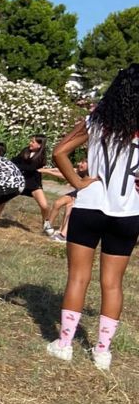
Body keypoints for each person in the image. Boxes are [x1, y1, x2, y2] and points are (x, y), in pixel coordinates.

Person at [45, 66, 139, 370]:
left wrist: (76, 181)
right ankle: (102, 352)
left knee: (78, 277)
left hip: (89, 206)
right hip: (128, 212)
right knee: (112, 283)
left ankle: (64, 345)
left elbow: (59, 152)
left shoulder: (94, 122)